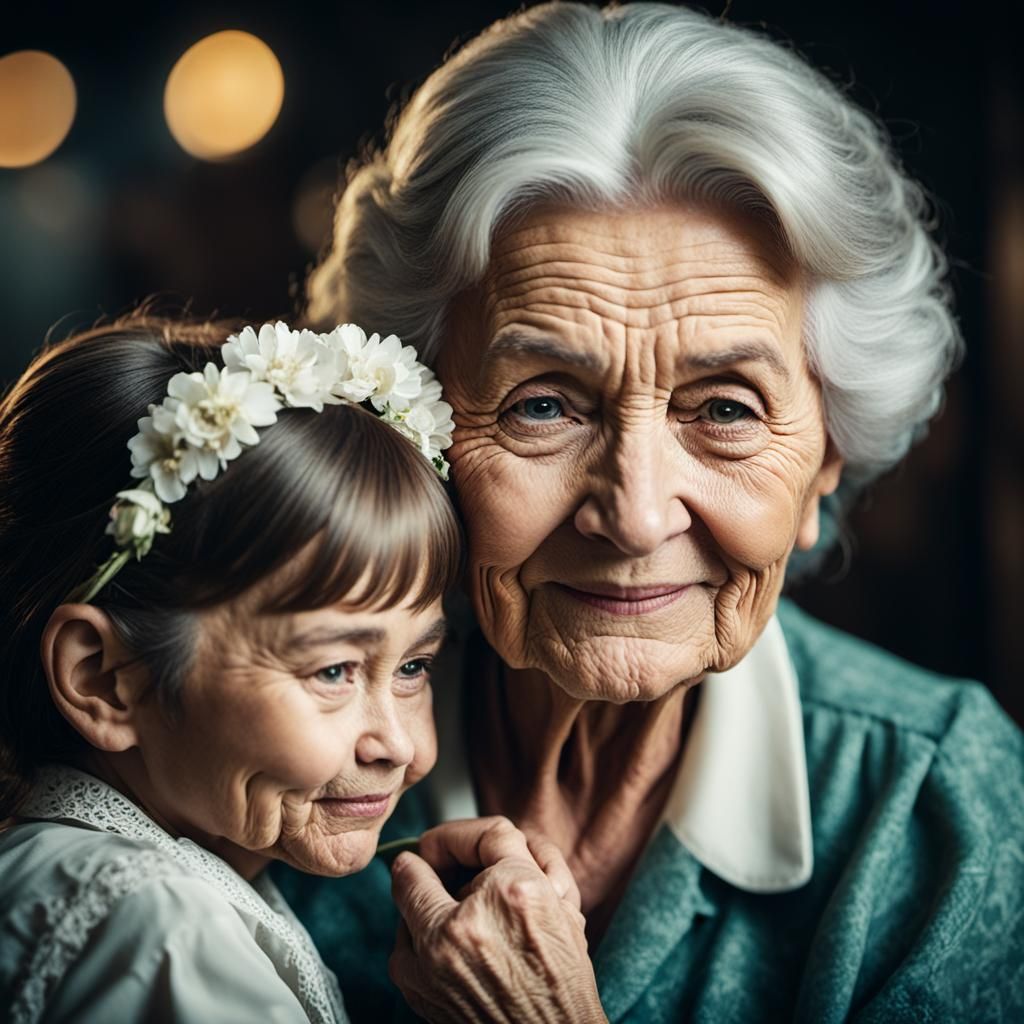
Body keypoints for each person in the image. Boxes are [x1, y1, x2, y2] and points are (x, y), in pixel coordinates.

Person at [281, 2, 1024, 1021]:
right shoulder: (254, 761)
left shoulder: (943, 812)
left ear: (824, 467)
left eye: (724, 409)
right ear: (415, 440)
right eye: (543, 404)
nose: (633, 516)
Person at [0, 315, 580, 1023]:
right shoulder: (165, 931)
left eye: (414, 666)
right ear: (104, 680)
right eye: (333, 672)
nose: (399, 746)